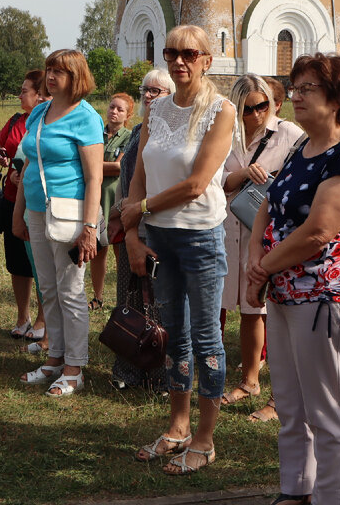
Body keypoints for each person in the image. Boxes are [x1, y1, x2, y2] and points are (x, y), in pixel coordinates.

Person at [242, 53, 340, 505]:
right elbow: (267, 202)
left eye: (307, 89)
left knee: (325, 408)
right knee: (292, 403)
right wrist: (257, 254)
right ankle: (296, 488)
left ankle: (331, 497)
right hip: (283, 292)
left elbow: (319, 231)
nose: (295, 96)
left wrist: (262, 267)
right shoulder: (303, 147)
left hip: (324, 297)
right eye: (294, 87)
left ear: (336, 99)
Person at [122, 25, 234, 475]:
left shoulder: (221, 111)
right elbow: (139, 174)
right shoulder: (157, 110)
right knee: (174, 335)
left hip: (200, 236)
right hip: (159, 237)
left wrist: (140, 210)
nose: (179, 61)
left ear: (208, 60)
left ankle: (205, 440)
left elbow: (195, 184)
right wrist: (134, 229)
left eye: (189, 53)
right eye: (171, 52)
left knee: (206, 336)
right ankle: (178, 426)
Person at [13, 49, 103, 398]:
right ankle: (54, 359)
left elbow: (94, 178)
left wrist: (90, 227)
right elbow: (26, 166)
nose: (51, 77)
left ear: (76, 77)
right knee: (47, 288)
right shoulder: (39, 111)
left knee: (70, 291)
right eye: (49, 70)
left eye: (60, 72)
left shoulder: (87, 118)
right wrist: (20, 212)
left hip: (70, 215)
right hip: (36, 211)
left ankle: (74, 368)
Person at [219, 74, 303, 408]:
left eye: (262, 106)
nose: (255, 114)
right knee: (242, 308)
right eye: (247, 108)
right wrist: (242, 175)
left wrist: (272, 181)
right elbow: (217, 178)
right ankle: (249, 381)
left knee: (264, 309)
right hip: (230, 229)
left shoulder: (289, 134)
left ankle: (271, 387)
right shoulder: (226, 132)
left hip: (269, 235)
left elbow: (302, 181)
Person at [108, 68, 173, 391]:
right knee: (129, 301)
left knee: (158, 305)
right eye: (145, 89)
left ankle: (160, 374)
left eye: (156, 91)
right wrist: (120, 211)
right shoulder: (136, 130)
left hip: (160, 229)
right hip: (131, 227)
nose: (148, 95)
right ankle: (128, 371)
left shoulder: (172, 134)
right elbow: (126, 179)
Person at [0, 69, 47, 340]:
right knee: (17, 263)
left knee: (40, 262)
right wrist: (2, 159)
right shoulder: (16, 120)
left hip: (37, 202)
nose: (20, 94)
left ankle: (42, 319)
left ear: (39, 96)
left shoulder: (47, 122)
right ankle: (23, 316)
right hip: (13, 200)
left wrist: (25, 173)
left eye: (25, 90)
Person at [89, 92, 134, 310]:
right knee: (97, 250)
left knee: (119, 252)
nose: (114, 112)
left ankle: (123, 302)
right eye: (111, 107)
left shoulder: (129, 136)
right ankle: (97, 298)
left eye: (120, 109)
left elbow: (118, 167)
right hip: (94, 199)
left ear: (128, 115)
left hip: (114, 200)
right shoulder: (96, 133)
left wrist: (91, 166)